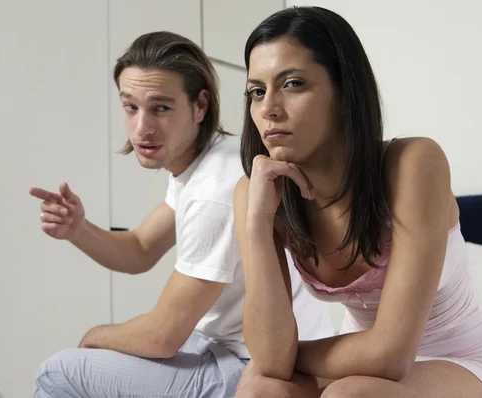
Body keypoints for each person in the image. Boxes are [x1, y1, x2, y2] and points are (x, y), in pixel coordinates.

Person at [233, 6, 482, 398]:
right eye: (257, 91)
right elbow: (270, 363)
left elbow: (390, 355)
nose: (269, 108)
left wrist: (292, 356)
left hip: (465, 361)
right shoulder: (256, 191)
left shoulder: (413, 165)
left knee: (349, 395)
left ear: (344, 92)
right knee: (261, 389)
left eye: (292, 84)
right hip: (357, 363)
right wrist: (257, 225)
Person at [29, 31, 334, 398]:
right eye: (130, 106)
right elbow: (141, 247)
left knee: (58, 372)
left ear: (200, 106)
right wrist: (78, 229)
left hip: (260, 367)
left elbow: (162, 336)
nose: (143, 127)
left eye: (161, 107)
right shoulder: (208, 158)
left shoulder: (214, 192)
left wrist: (96, 337)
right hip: (226, 347)